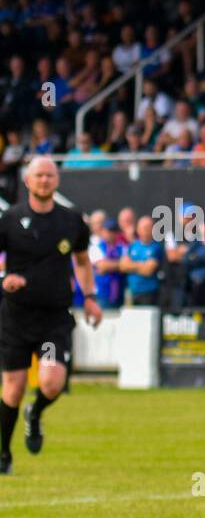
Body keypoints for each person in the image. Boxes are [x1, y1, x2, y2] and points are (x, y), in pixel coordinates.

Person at [0, 157, 101, 475]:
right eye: (39, 175)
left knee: (52, 382)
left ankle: (36, 412)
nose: (44, 180)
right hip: (16, 317)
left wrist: (90, 298)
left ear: (57, 180)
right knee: (13, 390)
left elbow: (83, 262)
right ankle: (4, 454)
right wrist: (4, 280)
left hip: (54, 317)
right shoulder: (10, 219)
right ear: (28, 181)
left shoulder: (72, 221)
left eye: (50, 175)